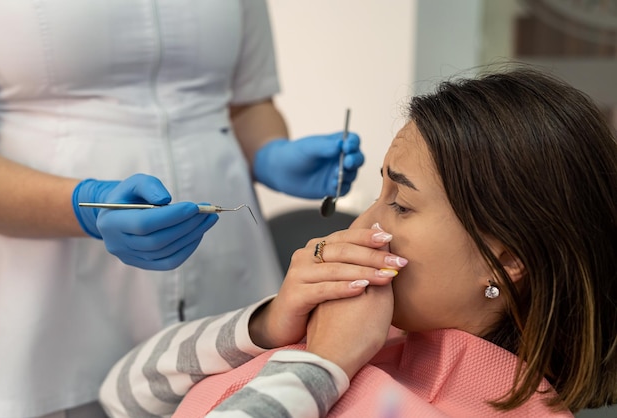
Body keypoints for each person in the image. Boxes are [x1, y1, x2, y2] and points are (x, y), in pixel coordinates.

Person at [99, 66, 617, 417]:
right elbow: (125, 392)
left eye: (402, 204)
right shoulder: (370, 338)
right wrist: (270, 323)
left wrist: (321, 367)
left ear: (504, 258)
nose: (360, 225)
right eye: (380, 192)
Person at [0, 1, 364, 417]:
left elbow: (246, 102)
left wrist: (269, 153)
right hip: (54, 290)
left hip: (227, 273)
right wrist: (83, 206)